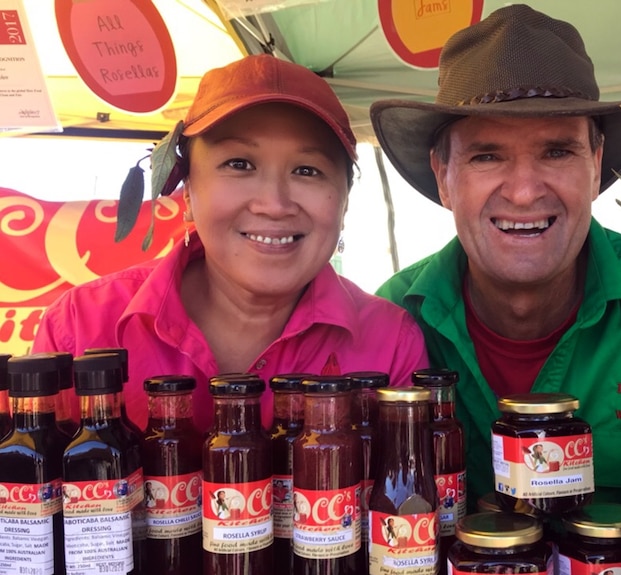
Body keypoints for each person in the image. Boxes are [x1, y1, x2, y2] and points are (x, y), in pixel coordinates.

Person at [372, 5, 621, 508]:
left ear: (597, 164)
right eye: (487, 156)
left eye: (557, 151)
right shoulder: (390, 324)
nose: (522, 192)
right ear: (443, 176)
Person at [33, 54, 428, 432]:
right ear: (187, 193)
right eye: (239, 164)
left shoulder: (390, 343)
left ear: (344, 202)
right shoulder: (79, 330)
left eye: (307, 170)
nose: (274, 205)